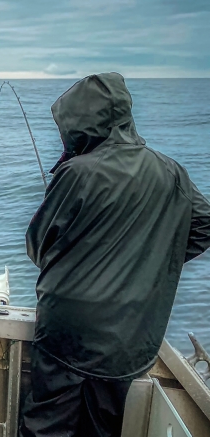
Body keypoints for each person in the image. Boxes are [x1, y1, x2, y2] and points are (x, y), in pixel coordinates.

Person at [21, 72, 210, 437]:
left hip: (67, 333)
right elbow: (203, 226)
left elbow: (38, 245)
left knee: (45, 427)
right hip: (130, 340)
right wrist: (151, 262)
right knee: (103, 429)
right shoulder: (172, 172)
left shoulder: (76, 171)